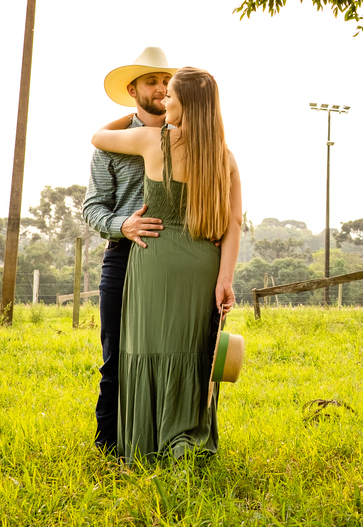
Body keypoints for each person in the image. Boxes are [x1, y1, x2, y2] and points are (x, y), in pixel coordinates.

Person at [92, 66, 242, 463]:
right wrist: (224, 279)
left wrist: (133, 111)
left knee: (145, 350)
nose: (165, 101)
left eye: (171, 96)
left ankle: (145, 443)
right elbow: (233, 224)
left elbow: (98, 136)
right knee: (194, 354)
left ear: (186, 104)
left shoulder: (152, 140)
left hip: (154, 259)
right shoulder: (224, 158)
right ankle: (185, 439)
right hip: (203, 267)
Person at [83, 47, 176, 454]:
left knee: (170, 353)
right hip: (122, 257)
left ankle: (166, 439)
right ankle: (108, 446)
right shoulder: (109, 144)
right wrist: (123, 224)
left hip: (175, 258)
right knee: (116, 354)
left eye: (165, 81)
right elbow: (92, 205)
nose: (160, 88)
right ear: (133, 88)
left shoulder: (183, 136)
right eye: (151, 81)